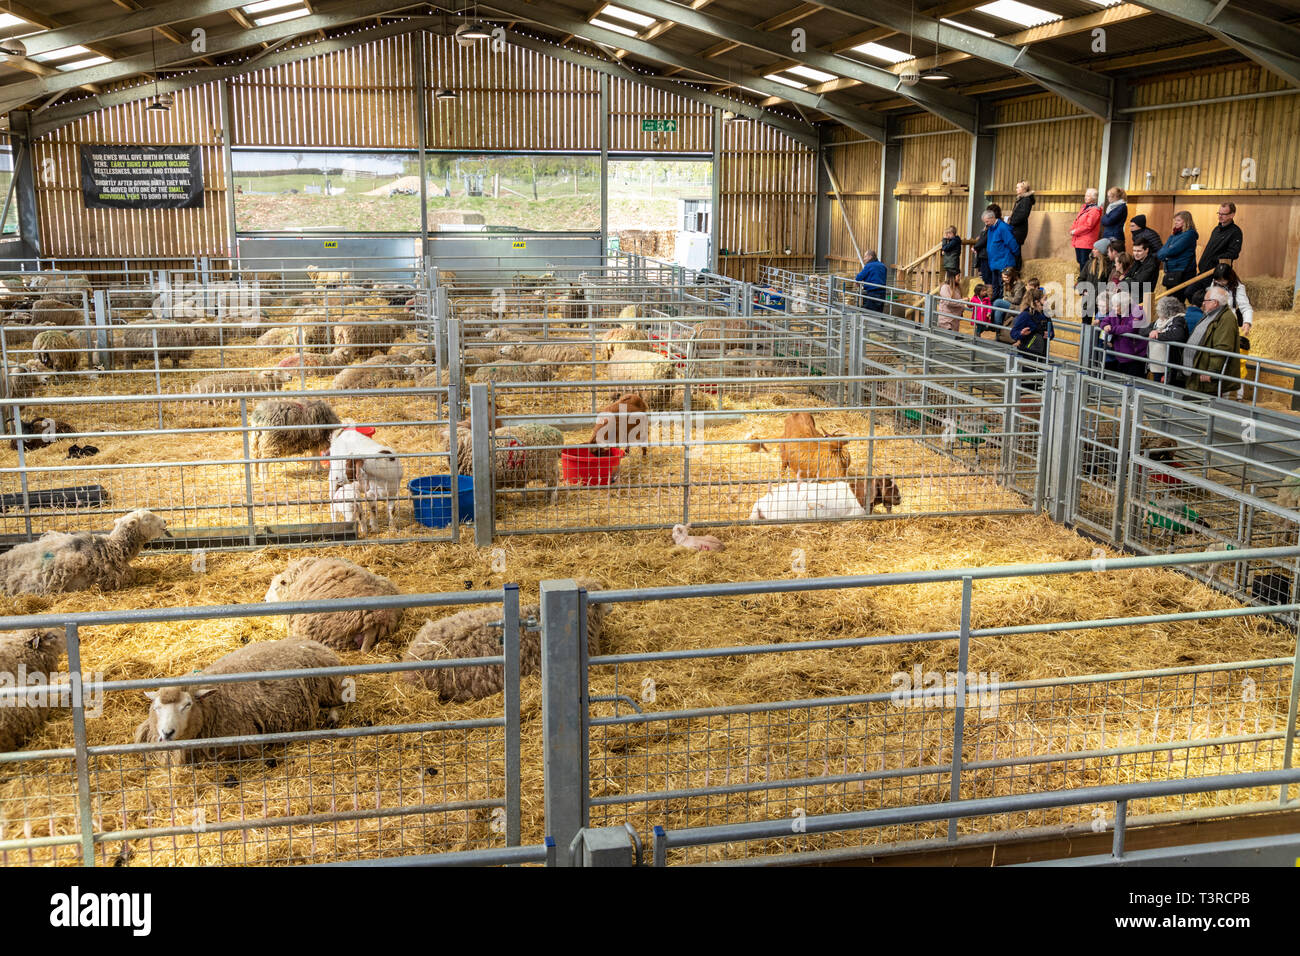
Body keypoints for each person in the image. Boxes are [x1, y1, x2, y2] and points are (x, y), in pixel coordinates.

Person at [1185, 285, 1240, 396]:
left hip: (1206, 375)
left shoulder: (1226, 319)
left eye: (1206, 301)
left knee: (1199, 405)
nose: (1203, 303)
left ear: (1215, 302)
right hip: (1197, 370)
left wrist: (1212, 371)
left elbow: (1223, 346)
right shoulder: (1210, 315)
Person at [1190, 202, 1244, 298]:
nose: (1220, 216)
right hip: (1204, 271)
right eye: (1219, 213)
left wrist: (1215, 259)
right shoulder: (1216, 229)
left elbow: (1233, 253)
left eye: (1223, 214)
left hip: (1216, 273)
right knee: (1189, 292)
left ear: (1232, 215)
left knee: (1204, 297)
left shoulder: (1235, 232)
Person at [1099, 290, 1148, 378]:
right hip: (1120, 355)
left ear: (1124, 305)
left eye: (1115, 306)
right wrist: (1105, 325)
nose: (1113, 308)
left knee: (1134, 383)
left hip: (1135, 357)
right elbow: (1104, 321)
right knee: (1121, 383)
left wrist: (1111, 329)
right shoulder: (1115, 312)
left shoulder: (1138, 311)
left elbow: (1130, 328)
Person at [1155, 210, 1199, 302]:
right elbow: (1161, 253)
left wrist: (1168, 253)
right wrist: (1167, 253)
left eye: (1178, 220)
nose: (1175, 222)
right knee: (1171, 300)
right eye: (1175, 220)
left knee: (1178, 300)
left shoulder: (1189, 234)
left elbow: (1172, 250)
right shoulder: (1173, 236)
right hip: (1171, 271)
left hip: (1183, 272)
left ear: (1186, 221)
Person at [1148, 296, 1189, 387]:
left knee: (1168, 389)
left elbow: (1178, 335)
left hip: (1170, 363)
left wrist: (1158, 335)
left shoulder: (1178, 319)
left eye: (1159, 310)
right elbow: (1142, 330)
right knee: (1158, 388)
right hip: (1158, 363)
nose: (1157, 312)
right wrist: (1152, 332)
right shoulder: (1159, 321)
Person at [982, 207, 1019, 301]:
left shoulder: (1003, 228)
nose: (985, 224)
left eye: (987, 221)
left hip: (1003, 263)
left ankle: (999, 311)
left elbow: (1011, 242)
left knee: (1002, 290)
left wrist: (1016, 254)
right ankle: (993, 312)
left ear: (992, 218)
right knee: (995, 288)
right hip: (995, 263)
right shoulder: (991, 229)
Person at [1210, 262, 1254, 338]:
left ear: (1229, 278)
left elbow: (1246, 307)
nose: (1220, 283)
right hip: (1214, 320)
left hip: (1228, 321)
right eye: (1218, 280)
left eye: (1223, 280)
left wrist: (1247, 322)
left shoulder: (1238, 287)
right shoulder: (1215, 282)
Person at [1077, 238, 1111, 325]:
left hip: (1100, 302)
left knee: (1099, 324)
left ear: (1102, 251)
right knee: (1085, 324)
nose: (1093, 250)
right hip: (1087, 299)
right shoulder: (1089, 263)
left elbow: (1109, 285)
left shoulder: (1109, 267)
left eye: (1095, 249)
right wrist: (1083, 291)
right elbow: (1081, 279)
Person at [1010, 288, 1052, 359]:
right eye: (1045, 300)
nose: (1047, 302)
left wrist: (1050, 334)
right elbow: (1013, 333)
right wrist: (1021, 333)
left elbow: (1052, 332)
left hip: (1042, 353)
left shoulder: (1046, 315)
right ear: (1037, 302)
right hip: (1027, 353)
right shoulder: (1025, 315)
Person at [1069, 188, 1103, 269]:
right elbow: (1077, 220)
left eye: (1088, 196)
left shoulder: (1094, 210)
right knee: (1080, 261)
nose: (1085, 197)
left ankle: (1084, 281)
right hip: (1079, 240)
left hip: (1086, 242)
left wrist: (1075, 231)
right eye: (1086, 195)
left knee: (1085, 263)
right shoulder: (1085, 208)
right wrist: (1072, 229)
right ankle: (1082, 280)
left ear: (1094, 198)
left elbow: (1089, 225)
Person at [1008, 181, 1035, 269]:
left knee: (1015, 249)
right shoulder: (1020, 199)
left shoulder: (1026, 200)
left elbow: (1023, 215)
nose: (1016, 189)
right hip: (1016, 228)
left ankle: (1016, 270)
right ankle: (1014, 269)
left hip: (1019, 229)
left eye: (1018, 187)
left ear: (1024, 189)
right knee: (1014, 249)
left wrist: (1012, 221)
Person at [1127, 239, 1160, 307]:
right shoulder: (1137, 261)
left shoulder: (1151, 264)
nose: (1136, 253)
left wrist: (1127, 280)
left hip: (1142, 299)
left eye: (1139, 251)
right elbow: (1126, 276)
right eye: (1134, 251)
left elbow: (1137, 283)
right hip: (1133, 295)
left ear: (1146, 250)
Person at [1100, 187, 1128, 251]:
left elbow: (1108, 221)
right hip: (1108, 234)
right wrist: (1104, 218)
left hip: (1115, 236)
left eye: (1109, 196)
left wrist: (1104, 217)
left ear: (1115, 197)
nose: (1108, 199)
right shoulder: (1110, 207)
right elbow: (1104, 221)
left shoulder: (1122, 207)